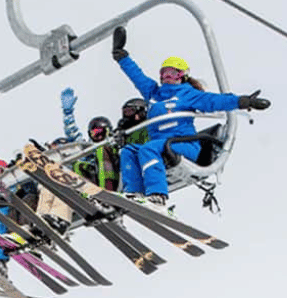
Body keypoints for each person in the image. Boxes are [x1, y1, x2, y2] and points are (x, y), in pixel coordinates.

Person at [111, 26, 271, 206]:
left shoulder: (188, 94)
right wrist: (121, 56)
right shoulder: (154, 93)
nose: (166, 77)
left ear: (182, 76)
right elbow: (137, 76)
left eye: (172, 73)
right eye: (163, 73)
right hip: (160, 145)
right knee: (129, 150)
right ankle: (134, 192)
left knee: (148, 148)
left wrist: (244, 101)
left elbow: (214, 101)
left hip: (183, 144)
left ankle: (158, 195)